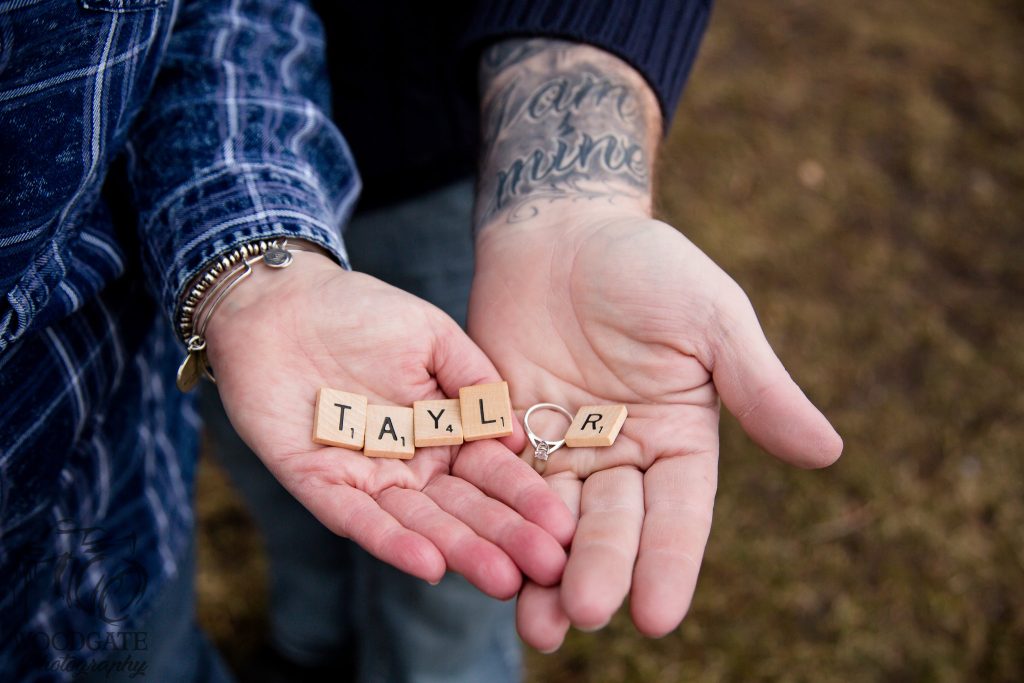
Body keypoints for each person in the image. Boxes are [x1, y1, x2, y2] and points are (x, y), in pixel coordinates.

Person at [1, 2, 842, 682]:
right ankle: (309, 644)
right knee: (298, 486)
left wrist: (578, 197)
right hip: (174, 233)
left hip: (448, 142)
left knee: (463, 551)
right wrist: (246, 278)